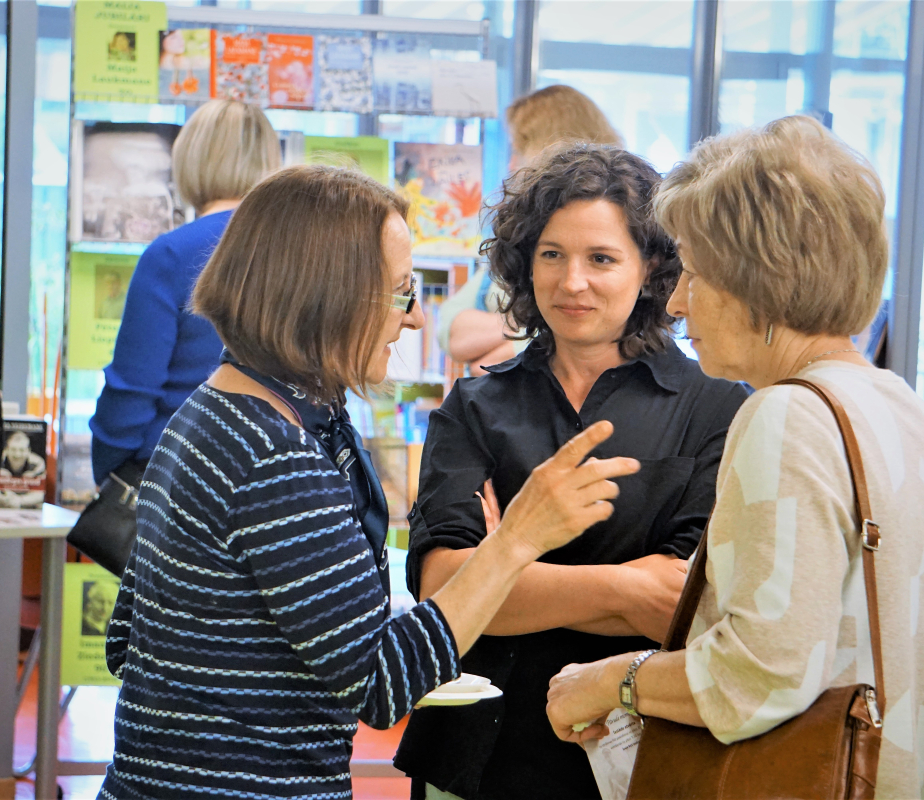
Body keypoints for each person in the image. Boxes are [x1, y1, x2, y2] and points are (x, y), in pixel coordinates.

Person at [98, 164, 643, 800]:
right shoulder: (277, 453)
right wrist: (518, 539)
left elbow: (126, 638)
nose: (411, 321)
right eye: (398, 293)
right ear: (326, 296)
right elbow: (381, 684)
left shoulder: (213, 412)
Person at [543, 116, 924, 800]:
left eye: (694, 272)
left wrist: (609, 681)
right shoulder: (912, 416)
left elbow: (756, 674)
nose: (679, 302)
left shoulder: (786, 415)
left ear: (756, 279)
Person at [394, 145, 748, 800]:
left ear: (652, 269)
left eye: (602, 259)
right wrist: (623, 587)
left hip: (634, 748)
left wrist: (505, 566)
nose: (571, 281)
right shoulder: (475, 407)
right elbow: (443, 587)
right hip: (476, 752)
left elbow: (683, 603)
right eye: (551, 254)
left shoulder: (718, 408)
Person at [89, 98, 281, 487]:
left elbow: (131, 391)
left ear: (190, 162)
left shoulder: (171, 254)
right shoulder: (302, 253)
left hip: (176, 478)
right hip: (276, 475)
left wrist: (109, 473)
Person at [440, 85, 623, 374]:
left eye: (518, 149)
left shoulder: (623, 217)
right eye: (551, 255)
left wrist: (509, 336)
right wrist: (526, 327)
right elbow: (452, 330)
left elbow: (485, 366)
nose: (511, 164)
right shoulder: (519, 234)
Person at [0, 431, 47, 509]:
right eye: (13, 449)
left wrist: (19, 501)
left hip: (28, 508)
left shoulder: (38, 463)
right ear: (6, 450)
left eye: (21, 450)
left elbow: (40, 494)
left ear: (28, 451)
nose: (17, 455)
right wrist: (7, 500)